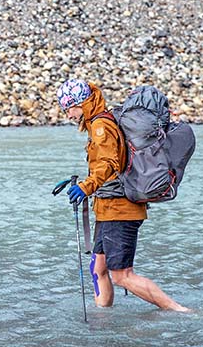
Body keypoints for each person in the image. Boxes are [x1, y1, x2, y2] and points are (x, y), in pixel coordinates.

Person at [56, 78, 192, 313]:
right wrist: (82, 183)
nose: (68, 115)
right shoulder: (98, 123)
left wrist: (86, 187)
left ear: (81, 103)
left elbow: (110, 162)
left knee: (121, 275)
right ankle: (103, 322)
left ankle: (178, 311)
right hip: (107, 207)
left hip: (120, 209)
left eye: (69, 108)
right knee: (98, 268)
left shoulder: (101, 126)